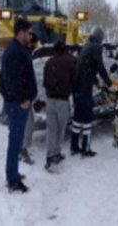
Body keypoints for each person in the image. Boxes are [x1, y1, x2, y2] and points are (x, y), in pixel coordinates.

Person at [0, 18, 37, 193]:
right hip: (17, 105)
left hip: (17, 103)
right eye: (28, 33)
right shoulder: (15, 52)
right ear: (20, 32)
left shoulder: (19, 49)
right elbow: (11, 81)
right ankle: (12, 180)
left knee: (16, 141)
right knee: (15, 142)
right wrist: (23, 99)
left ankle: (13, 173)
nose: (31, 36)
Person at [72, 27, 112, 157]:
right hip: (85, 88)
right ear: (100, 38)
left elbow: (87, 66)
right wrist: (108, 83)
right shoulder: (96, 47)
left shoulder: (86, 46)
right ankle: (85, 149)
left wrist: (96, 81)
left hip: (76, 87)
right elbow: (100, 66)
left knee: (78, 117)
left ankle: (74, 146)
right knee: (88, 118)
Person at [43, 40, 76, 170]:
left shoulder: (48, 62)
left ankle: (50, 155)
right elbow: (75, 80)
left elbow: (45, 82)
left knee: (51, 129)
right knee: (61, 129)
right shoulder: (71, 61)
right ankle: (57, 152)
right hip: (63, 100)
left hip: (50, 100)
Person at [19, 32, 39, 165]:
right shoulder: (22, 56)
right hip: (23, 97)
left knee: (26, 122)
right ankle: (22, 150)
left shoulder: (25, 54)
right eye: (33, 45)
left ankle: (21, 148)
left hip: (25, 96)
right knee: (27, 122)